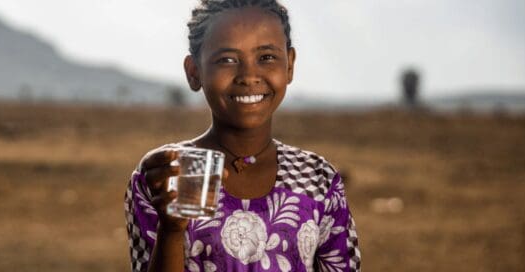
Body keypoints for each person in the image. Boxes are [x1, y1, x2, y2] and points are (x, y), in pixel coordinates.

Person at [124, 1, 361, 271]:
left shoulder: (317, 177)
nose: (248, 76)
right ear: (194, 72)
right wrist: (172, 228)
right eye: (227, 60)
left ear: (290, 65)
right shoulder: (168, 174)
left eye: (267, 57)